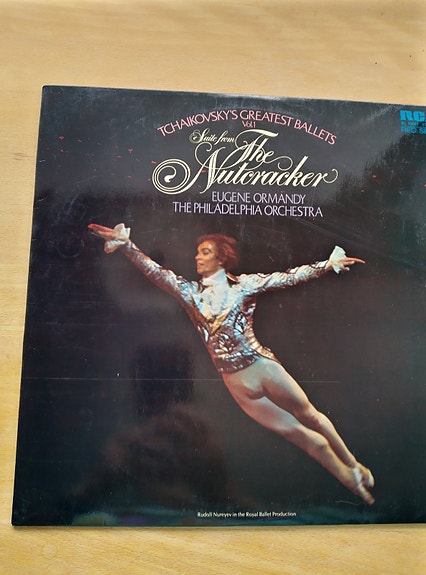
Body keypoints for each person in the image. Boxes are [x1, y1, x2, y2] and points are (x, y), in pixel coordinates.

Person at [88, 222, 375, 504]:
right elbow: (157, 273)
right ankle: (350, 479)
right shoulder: (190, 293)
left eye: (205, 252)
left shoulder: (243, 286)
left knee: (309, 415)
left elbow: (285, 277)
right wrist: (127, 246)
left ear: (221, 258)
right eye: (198, 252)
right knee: (301, 435)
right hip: (237, 385)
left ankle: (354, 464)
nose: (197, 257)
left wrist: (327, 265)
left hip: (262, 367)